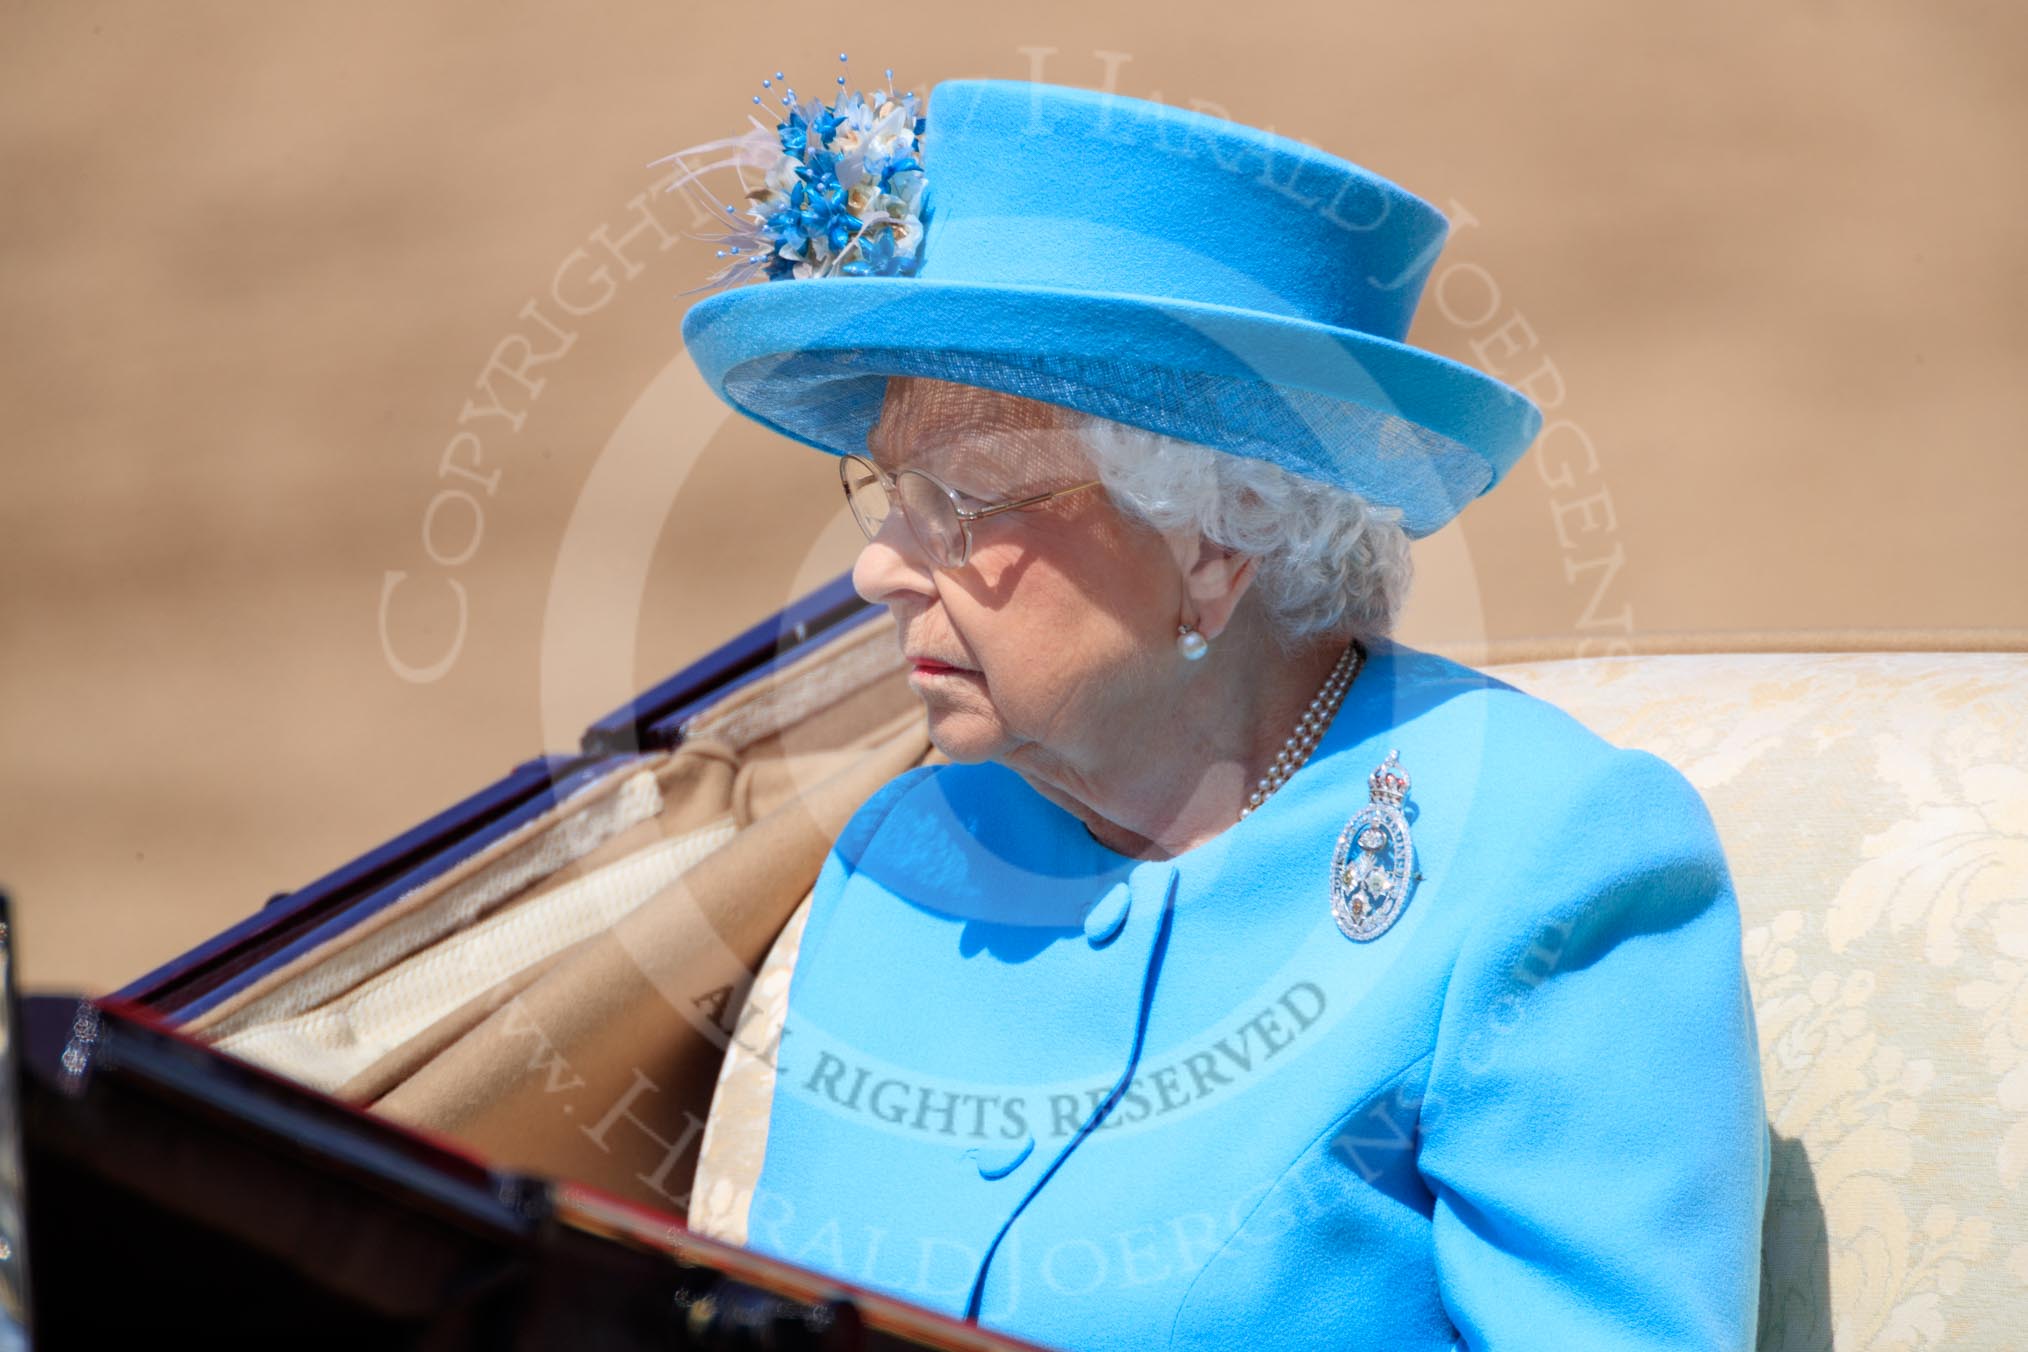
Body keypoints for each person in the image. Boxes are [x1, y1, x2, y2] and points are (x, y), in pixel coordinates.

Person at [677, 70, 1770, 1352]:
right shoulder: (903, 857)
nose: (878, 565)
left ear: (1217, 541)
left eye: (965, 501)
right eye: (887, 489)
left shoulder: (1544, 859)